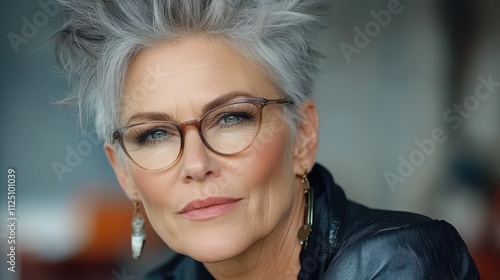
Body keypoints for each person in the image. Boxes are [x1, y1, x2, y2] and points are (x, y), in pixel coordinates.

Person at [53, 0, 480, 279]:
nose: (197, 164)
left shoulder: (394, 262)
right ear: (124, 173)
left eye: (231, 118)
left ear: (303, 137)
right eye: (155, 133)